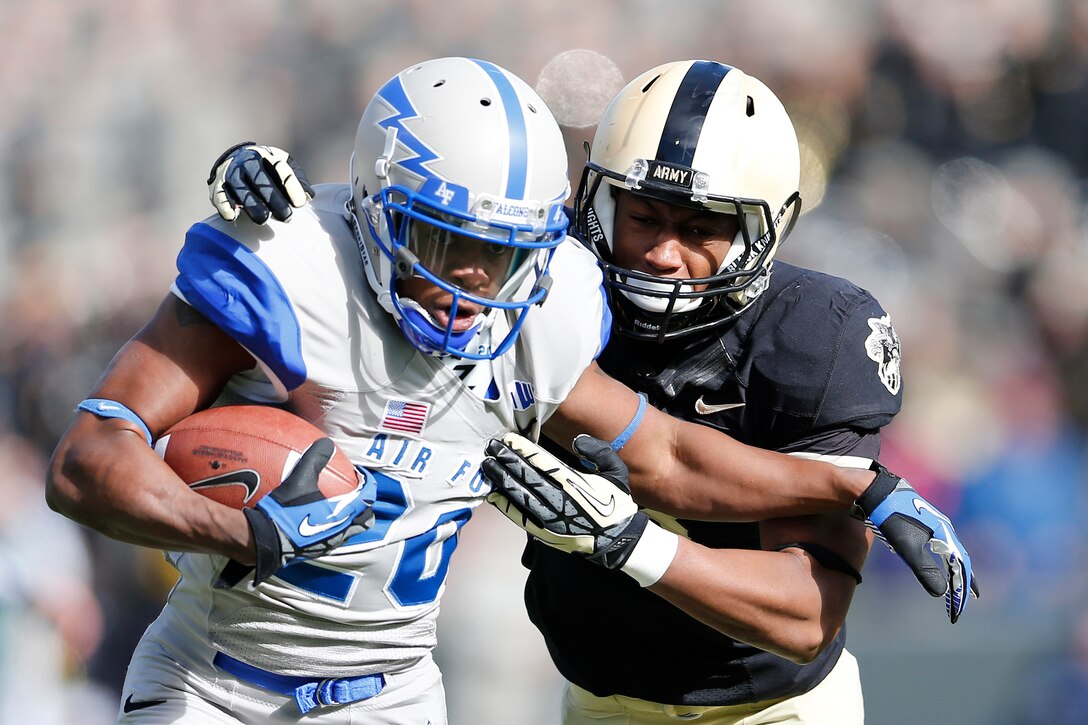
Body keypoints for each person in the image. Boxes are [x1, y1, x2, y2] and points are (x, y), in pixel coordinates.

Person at [208, 59, 978, 724]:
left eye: (702, 227)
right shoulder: (546, 281)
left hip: (769, 707)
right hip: (591, 697)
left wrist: (632, 542)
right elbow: (407, 239)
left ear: (767, 230)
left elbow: (806, 612)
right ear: (594, 199)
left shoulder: (816, 332)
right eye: (642, 216)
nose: (665, 253)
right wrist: (297, 218)